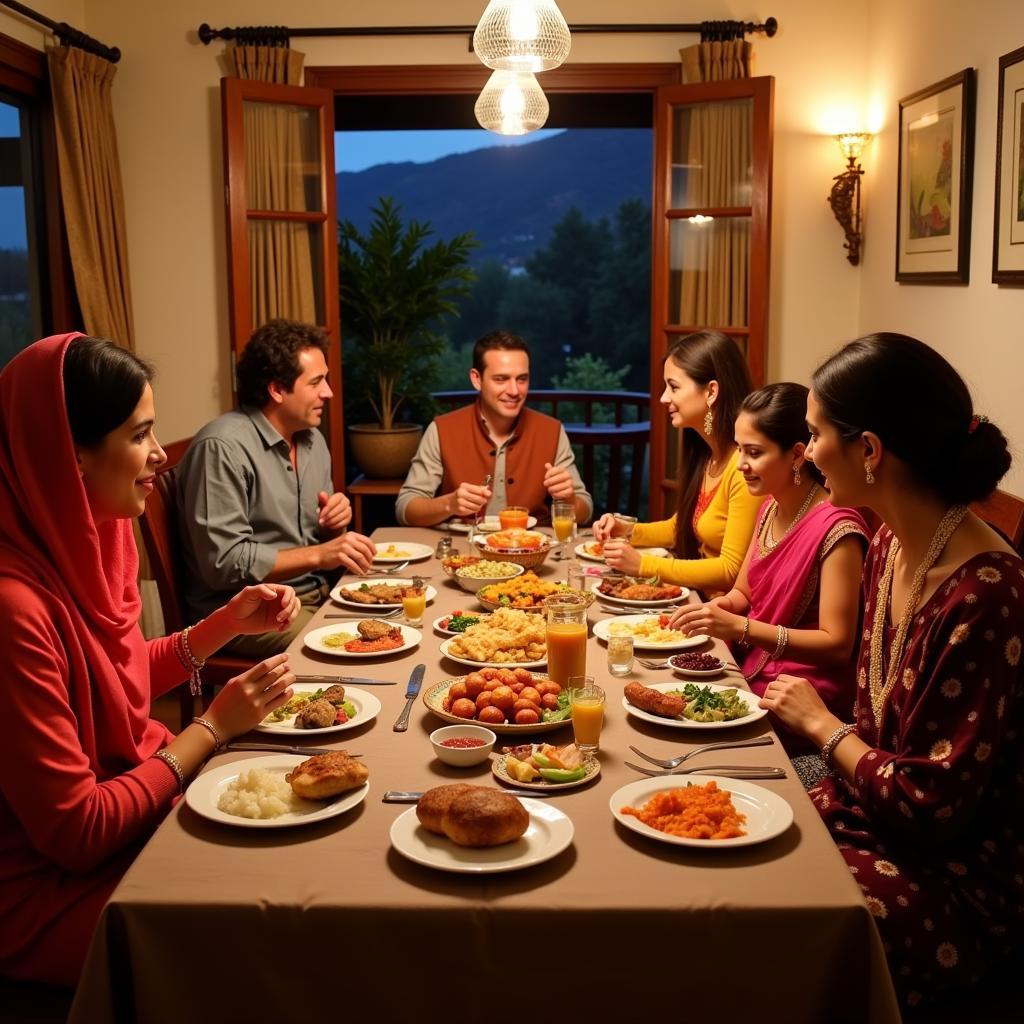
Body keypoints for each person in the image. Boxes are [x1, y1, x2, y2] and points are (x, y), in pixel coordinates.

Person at [0, 334, 300, 987]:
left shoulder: (89, 542)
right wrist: (212, 729)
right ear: (71, 454)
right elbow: (76, 833)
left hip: (125, 827)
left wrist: (223, 624)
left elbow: (118, 670)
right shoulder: (15, 608)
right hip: (46, 894)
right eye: (140, 436)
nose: (161, 456)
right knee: (268, 933)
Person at [759, 333, 1023, 1012]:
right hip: (867, 814)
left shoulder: (986, 593)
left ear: (870, 451)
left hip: (956, 874)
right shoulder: (888, 542)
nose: (808, 451)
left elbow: (930, 811)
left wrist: (821, 728)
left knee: (762, 914)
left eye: (816, 434)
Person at [670, 383, 868, 757]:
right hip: (755, 664)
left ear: (796, 454)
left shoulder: (838, 530)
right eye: (740, 449)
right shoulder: (770, 509)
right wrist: (716, 610)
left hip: (800, 691)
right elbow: (743, 593)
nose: (740, 464)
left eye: (754, 452)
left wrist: (741, 628)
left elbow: (837, 644)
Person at [177, 319, 375, 655]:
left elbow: (319, 544)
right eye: (316, 382)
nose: (328, 392)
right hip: (246, 614)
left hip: (312, 595)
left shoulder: (312, 441)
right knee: (359, 649)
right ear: (277, 390)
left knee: (403, 620)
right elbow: (223, 563)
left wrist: (334, 525)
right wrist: (320, 554)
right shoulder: (222, 446)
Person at [592, 330, 761, 592]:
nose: (663, 398)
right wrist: (625, 531)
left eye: (674, 387)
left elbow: (731, 570)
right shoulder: (708, 454)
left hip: (721, 618)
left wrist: (643, 565)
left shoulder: (742, 467)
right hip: (698, 601)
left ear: (711, 392)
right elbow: (679, 527)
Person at [396, 330, 592, 527]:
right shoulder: (441, 429)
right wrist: (449, 504)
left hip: (532, 548)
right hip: (463, 550)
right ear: (476, 379)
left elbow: (586, 510)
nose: (514, 391)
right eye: (501, 379)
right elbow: (405, 508)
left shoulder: (552, 431)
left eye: (522, 379)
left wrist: (569, 499)